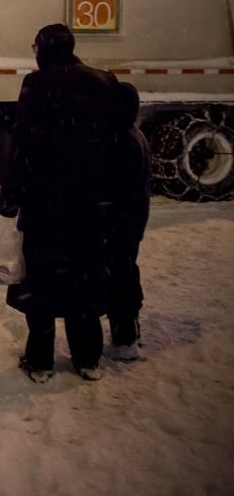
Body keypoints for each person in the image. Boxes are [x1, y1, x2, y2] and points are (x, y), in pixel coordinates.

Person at [0, 23, 122, 383]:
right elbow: (116, 142)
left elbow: (21, 146)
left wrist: (11, 199)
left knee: (41, 280)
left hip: (45, 203)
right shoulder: (103, 81)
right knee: (85, 275)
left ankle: (40, 361)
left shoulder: (36, 85)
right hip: (90, 202)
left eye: (35, 46)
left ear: (44, 49)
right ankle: (87, 357)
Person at [108, 81, 151, 360]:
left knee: (119, 275)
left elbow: (115, 188)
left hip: (119, 223)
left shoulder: (121, 141)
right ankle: (128, 331)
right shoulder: (134, 136)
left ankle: (125, 339)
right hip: (131, 221)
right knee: (124, 271)